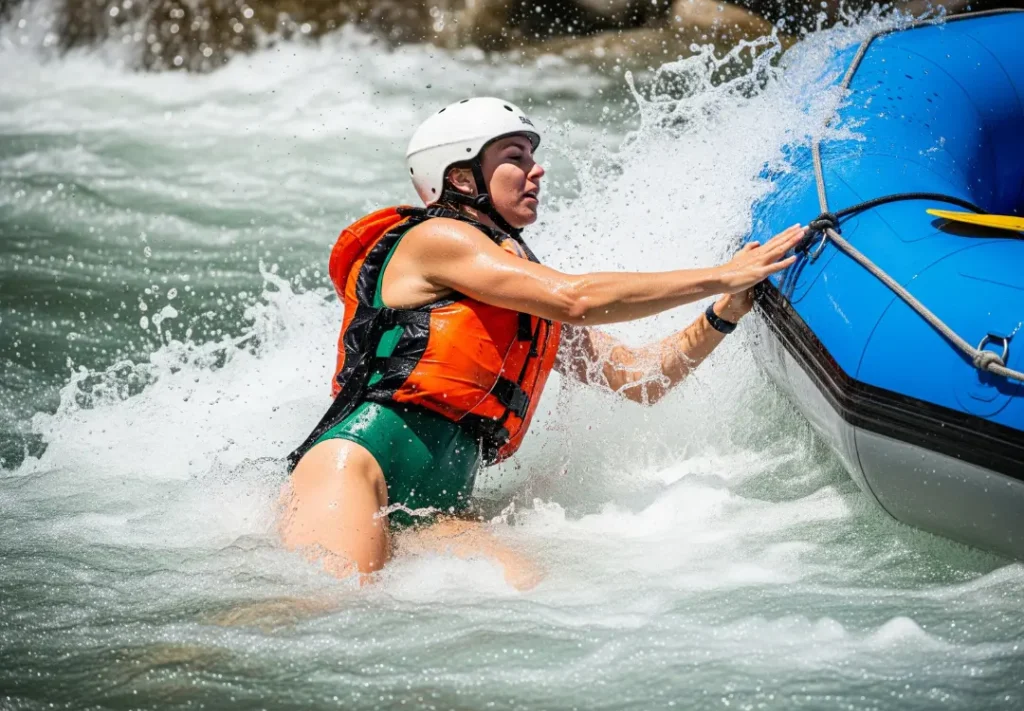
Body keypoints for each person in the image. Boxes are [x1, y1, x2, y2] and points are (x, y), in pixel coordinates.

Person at [279, 97, 803, 587]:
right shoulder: (436, 239)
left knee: (530, 594)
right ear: (461, 177)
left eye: (533, 155)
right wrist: (723, 274)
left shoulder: (516, 294)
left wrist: (724, 312)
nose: (537, 169)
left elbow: (641, 379)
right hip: (356, 468)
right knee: (329, 612)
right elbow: (575, 298)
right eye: (515, 157)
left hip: (440, 507)